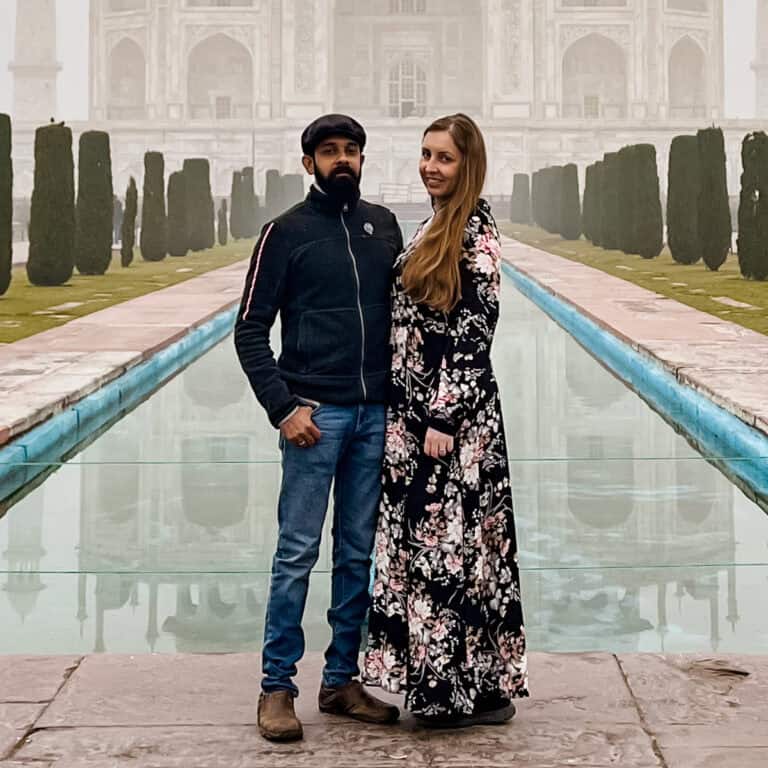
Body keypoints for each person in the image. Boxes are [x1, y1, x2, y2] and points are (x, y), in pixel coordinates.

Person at [234, 114, 403, 742]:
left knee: (357, 554)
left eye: (350, 150)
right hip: (315, 416)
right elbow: (250, 330)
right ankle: (277, 687)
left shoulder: (383, 226)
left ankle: (341, 681)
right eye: (329, 151)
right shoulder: (285, 233)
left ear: (361, 158)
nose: (341, 160)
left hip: (373, 414)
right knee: (297, 553)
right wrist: (284, 408)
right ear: (309, 163)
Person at [363, 113, 529, 726]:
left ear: (468, 166)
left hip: (448, 425)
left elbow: (475, 329)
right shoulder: (435, 224)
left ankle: (455, 694)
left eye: (444, 158)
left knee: (447, 551)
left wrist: (443, 417)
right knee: (437, 550)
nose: (430, 166)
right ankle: (459, 687)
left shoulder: (476, 231)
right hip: (413, 416)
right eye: (426, 154)